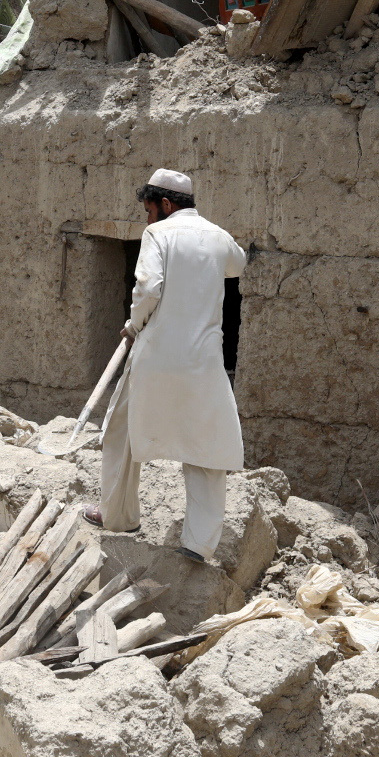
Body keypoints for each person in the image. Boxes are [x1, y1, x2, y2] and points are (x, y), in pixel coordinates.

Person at [79, 169, 247, 564]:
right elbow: (236, 266)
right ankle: (198, 544)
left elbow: (149, 286)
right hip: (203, 362)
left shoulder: (159, 235)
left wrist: (134, 324)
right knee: (206, 449)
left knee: (121, 431)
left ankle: (118, 517)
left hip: (155, 357)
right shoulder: (219, 236)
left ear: (165, 205)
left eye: (149, 209)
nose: (148, 218)